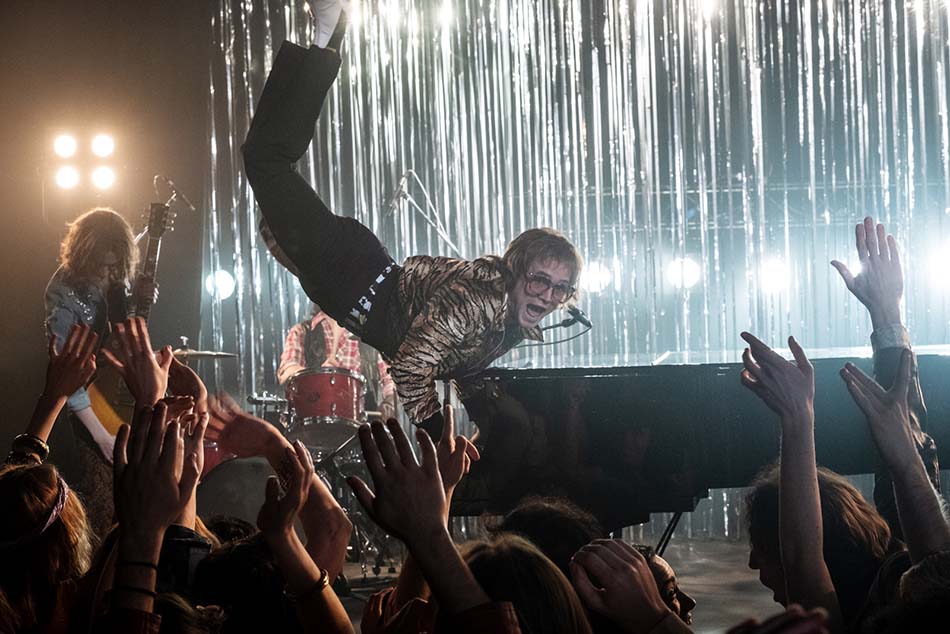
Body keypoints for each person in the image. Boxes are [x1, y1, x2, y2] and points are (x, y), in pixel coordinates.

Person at [242, 5, 584, 435]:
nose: (549, 296)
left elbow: (456, 362)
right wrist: (441, 442)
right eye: (539, 280)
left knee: (263, 159)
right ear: (515, 270)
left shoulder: (508, 321)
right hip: (350, 269)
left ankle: (326, 35)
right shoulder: (480, 300)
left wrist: (492, 427)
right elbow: (409, 367)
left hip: (346, 282)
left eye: (560, 288)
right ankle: (329, 30)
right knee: (266, 160)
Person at [44, 208, 154, 537]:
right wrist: (100, 435)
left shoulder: (116, 275)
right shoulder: (62, 293)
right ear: (85, 255)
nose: (108, 274)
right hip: (81, 402)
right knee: (98, 499)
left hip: (111, 387)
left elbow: (122, 328)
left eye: (114, 267)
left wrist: (140, 299)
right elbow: (67, 370)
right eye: (102, 266)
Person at [278, 303, 397, 421]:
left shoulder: (369, 337)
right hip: (313, 424)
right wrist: (318, 374)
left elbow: (391, 380)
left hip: (361, 425)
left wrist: (389, 402)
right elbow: (286, 371)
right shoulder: (302, 331)